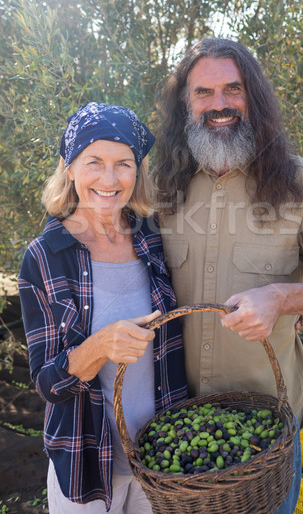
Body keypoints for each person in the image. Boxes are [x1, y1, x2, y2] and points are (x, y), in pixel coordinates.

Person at [152, 37, 303, 513]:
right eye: (203, 93)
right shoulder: (159, 183)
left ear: (253, 96)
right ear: (184, 104)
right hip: (176, 424)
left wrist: (282, 298)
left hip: (265, 433)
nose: (219, 105)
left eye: (233, 89)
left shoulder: (301, 182)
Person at [18, 102, 187, 513]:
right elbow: (47, 384)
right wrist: (99, 347)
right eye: (94, 161)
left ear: (137, 171)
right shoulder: (45, 257)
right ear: (69, 167)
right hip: (88, 464)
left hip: (162, 458)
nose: (109, 179)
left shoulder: (153, 237)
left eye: (123, 164)